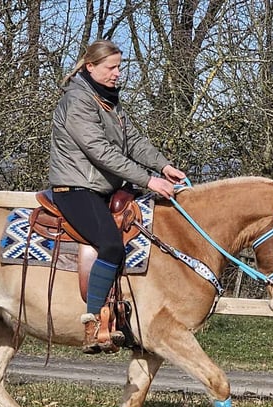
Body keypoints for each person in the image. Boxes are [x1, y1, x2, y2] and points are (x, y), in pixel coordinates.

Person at [49, 39, 187, 354]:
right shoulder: (78, 102)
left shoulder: (109, 100)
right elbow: (101, 153)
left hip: (102, 187)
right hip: (75, 188)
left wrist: (163, 165)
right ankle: (94, 323)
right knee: (111, 245)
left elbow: (133, 141)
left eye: (119, 67)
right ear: (90, 67)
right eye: (111, 67)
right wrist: (149, 180)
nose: (118, 74)